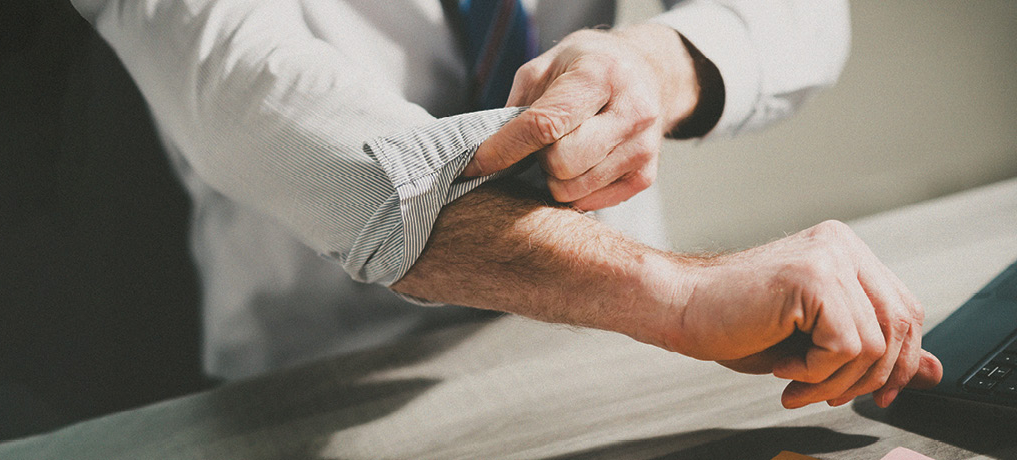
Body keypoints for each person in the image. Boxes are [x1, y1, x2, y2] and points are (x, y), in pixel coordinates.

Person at [69, 0, 943, 409]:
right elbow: (356, 176)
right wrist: (684, 297)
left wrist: (653, 64)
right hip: (328, 390)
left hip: (622, 356)